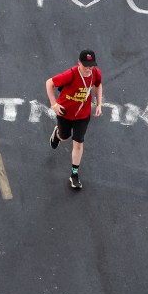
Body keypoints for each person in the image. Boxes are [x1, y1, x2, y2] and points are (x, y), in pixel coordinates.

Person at [45, 49, 103, 190]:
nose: (89, 69)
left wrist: (99, 103)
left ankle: (74, 175)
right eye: (86, 66)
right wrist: (54, 104)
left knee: (78, 144)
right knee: (64, 137)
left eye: (91, 66)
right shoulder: (70, 74)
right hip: (65, 113)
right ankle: (57, 134)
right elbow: (49, 83)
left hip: (82, 115)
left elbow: (98, 84)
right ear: (79, 63)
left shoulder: (95, 73)